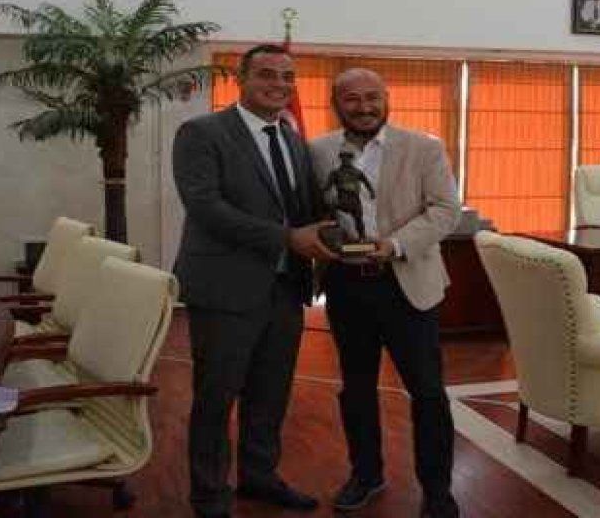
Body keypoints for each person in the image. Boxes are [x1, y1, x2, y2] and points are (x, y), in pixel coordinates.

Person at [172, 44, 336, 518]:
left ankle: (259, 477)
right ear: (241, 79)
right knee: (216, 397)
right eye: (267, 74)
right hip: (224, 288)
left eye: (287, 77)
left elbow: (302, 208)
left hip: (285, 289)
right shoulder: (202, 132)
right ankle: (209, 496)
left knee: (270, 395)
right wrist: (287, 238)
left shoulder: (291, 137)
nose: (279, 85)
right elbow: (206, 208)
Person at [310, 68, 462, 518]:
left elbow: (445, 210)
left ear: (386, 99)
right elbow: (314, 210)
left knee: (428, 393)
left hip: (408, 284)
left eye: (372, 97)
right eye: (352, 99)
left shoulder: (424, 148)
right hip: (345, 287)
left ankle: (437, 491)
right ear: (336, 104)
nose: (364, 107)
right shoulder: (317, 151)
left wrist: (394, 245)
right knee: (356, 388)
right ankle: (366, 475)